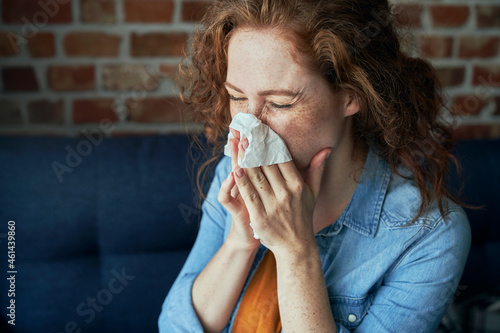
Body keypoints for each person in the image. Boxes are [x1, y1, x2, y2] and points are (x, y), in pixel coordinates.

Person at [158, 0, 471, 332]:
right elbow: (174, 326)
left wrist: (297, 251)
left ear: (351, 95)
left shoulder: (430, 235)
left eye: (280, 102)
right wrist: (240, 241)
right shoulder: (231, 173)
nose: (250, 125)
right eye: (237, 96)